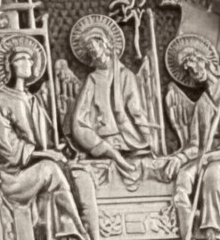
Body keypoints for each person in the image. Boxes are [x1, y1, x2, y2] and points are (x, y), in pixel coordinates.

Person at [0, 30, 94, 240]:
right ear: (11, 66)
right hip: (12, 175)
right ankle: (78, 232)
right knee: (51, 170)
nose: (28, 63)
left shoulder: (33, 100)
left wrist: (60, 148)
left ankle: (67, 238)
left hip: (34, 168)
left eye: (30, 59)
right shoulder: (1, 99)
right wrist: (45, 154)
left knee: (80, 173)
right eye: (21, 59)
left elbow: (46, 139)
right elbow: (7, 146)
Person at [163, 32, 220, 240]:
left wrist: (213, 156)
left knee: (212, 174)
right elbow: (195, 145)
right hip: (206, 156)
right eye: (188, 69)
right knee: (184, 176)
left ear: (205, 60)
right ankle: (187, 233)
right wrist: (179, 158)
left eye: (194, 62)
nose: (194, 70)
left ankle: (213, 230)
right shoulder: (202, 105)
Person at [65, 11, 158, 170]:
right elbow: (79, 119)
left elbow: (136, 111)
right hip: (104, 140)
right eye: (90, 51)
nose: (94, 52)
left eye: (95, 47)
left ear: (105, 45)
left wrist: (150, 138)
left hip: (130, 140)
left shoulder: (125, 75)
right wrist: (95, 142)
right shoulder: (93, 79)